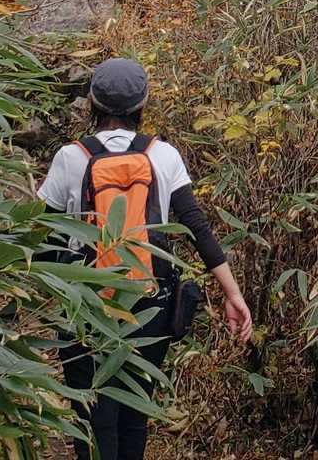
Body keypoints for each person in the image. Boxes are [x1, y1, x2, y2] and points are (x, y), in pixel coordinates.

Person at [39, 57, 254, 460]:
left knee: (92, 416)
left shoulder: (70, 157)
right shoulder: (164, 156)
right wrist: (233, 293)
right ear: (143, 104)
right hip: (150, 303)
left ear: (92, 103)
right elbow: (196, 227)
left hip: (87, 308)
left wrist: (55, 291)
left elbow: (42, 236)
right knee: (134, 414)